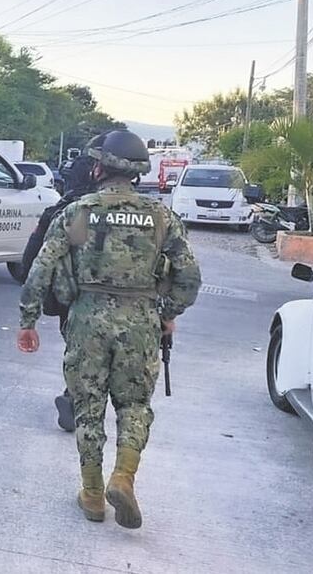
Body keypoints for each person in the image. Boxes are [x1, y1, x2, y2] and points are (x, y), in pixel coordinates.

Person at [17, 130, 201, 529]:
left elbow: (42, 269)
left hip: (87, 320)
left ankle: (94, 495)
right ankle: (124, 477)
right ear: (136, 173)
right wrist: (167, 313)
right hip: (140, 323)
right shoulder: (160, 217)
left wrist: (28, 320)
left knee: (88, 410)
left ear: (99, 167)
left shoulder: (80, 213)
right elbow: (189, 277)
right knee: (134, 407)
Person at [16, 132, 109, 433]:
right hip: (122, 301)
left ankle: (75, 400)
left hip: (74, 301)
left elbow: (31, 263)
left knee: (80, 354)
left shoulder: (60, 213)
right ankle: (82, 403)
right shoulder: (132, 212)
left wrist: (31, 313)